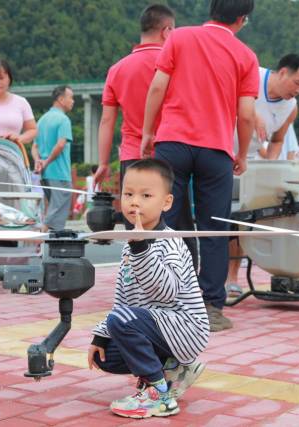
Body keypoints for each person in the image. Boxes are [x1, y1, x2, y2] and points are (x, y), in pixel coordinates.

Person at [141, 0, 258, 332]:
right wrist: (243, 153)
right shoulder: (246, 56)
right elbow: (246, 114)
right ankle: (211, 307)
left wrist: (149, 133)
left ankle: (166, 300)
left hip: (173, 142)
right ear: (240, 19)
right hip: (216, 150)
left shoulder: (179, 37)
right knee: (214, 229)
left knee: (165, 222)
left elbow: (158, 87)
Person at [88, 158, 208, 419]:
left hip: (186, 327)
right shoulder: (132, 243)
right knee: (104, 355)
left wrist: (142, 250)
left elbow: (166, 293)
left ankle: (158, 394)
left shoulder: (172, 242)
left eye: (145, 195)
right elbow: (124, 298)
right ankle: (172, 369)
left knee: (120, 320)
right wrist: (101, 336)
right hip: (157, 326)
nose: (134, 202)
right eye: (128, 194)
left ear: (166, 202)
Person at [227, 53, 299, 299]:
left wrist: (268, 166)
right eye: (297, 83)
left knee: (245, 218)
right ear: (282, 72)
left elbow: (277, 140)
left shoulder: (291, 107)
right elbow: (220, 96)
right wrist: (251, 111)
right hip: (222, 151)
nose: (298, 90)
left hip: (251, 162)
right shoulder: (252, 74)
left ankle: (234, 277)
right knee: (222, 218)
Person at [94, 4, 175, 186]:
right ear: (167, 31)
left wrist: (103, 163)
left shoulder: (116, 69)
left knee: (135, 212)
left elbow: (107, 121)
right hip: (169, 154)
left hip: (133, 156)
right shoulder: (175, 64)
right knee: (171, 213)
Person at [32, 85, 75, 231]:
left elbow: (34, 146)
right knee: (58, 207)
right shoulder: (63, 120)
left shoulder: (42, 120)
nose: (73, 101)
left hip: (45, 173)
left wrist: (38, 161)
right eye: (71, 97)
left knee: (53, 207)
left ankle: (50, 242)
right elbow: (61, 144)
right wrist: (47, 161)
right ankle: (38, 232)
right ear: (61, 99)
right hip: (59, 172)